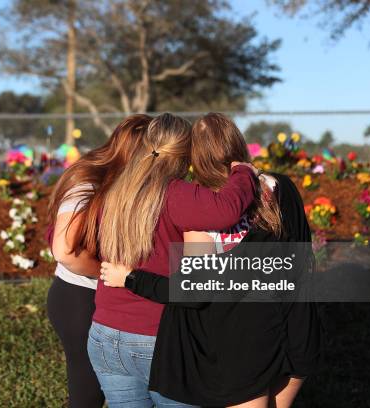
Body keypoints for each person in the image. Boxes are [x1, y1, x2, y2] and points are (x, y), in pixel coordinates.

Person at [100, 113, 322, 407]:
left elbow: (192, 292)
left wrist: (130, 278)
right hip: (296, 327)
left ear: (195, 156)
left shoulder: (203, 211)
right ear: (238, 143)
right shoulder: (281, 187)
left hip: (243, 345)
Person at [88, 113, 260, 407]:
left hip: (104, 334)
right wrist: (243, 172)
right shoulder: (177, 194)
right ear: (186, 154)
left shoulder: (115, 191)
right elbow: (227, 209)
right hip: (156, 338)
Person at [46, 114, 152, 408]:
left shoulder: (122, 183)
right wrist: (104, 273)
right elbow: (64, 249)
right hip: (79, 296)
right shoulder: (90, 182)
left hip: (96, 297)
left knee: (98, 390)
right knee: (88, 394)